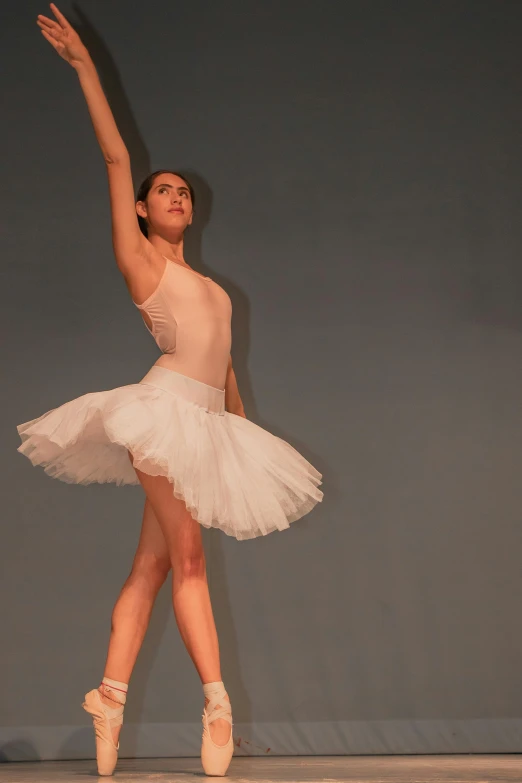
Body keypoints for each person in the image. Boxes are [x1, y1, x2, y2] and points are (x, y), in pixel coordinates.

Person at [18, 3, 324, 778]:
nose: (176, 195)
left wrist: (240, 435)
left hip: (209, 423)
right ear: (144, 211)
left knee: (152, 568)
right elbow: (118, 159)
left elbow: (223, 372)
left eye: (185, 190)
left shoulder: (214, 288)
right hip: (160, 418)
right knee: (189, 561)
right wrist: (87, 69)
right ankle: (218, 704)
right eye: (165, 191)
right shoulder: (144, 266)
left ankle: (108, 697)